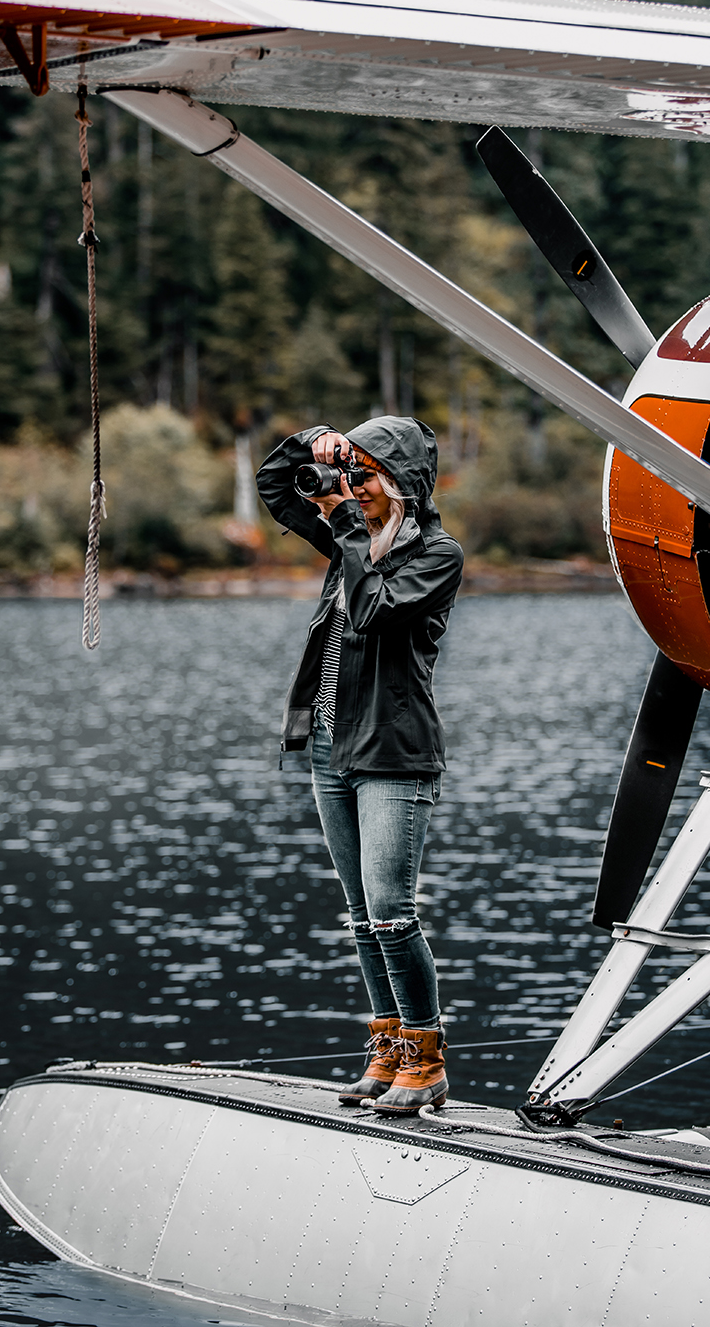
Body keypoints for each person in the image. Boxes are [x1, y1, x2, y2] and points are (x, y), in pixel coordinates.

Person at [256, 416, 464, 1112]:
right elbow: (275, 486)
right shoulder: (351, 535)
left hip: (393, 754)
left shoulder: (436, 555)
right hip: (330, 746)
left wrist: (344, 520)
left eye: (368, 475)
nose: (353, 487)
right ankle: (388, 1050)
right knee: (360, 916)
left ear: (402, 482)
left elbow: (373, 610)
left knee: (391, 914)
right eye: (351, 473)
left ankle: (425, 1059)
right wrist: (317, 440)